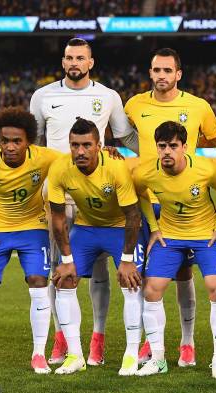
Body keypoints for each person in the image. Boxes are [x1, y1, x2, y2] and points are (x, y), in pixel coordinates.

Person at [29, 37, 138, 366]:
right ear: (63, 62)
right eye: (69, 58)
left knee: (99, 267)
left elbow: (126, 136)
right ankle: (61, 338)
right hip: (56, 192)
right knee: (58, 270)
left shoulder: (107, 97)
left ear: (91, 63)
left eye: (80, 58)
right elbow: (33, 144)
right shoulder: (43, 96)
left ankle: (97, 339)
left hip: (97, 192)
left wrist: (160, 149)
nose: (74, 62)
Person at [124, 48, 216, 367]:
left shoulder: (197, 106)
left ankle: (187, 343)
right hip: (149, 207)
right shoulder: (134, 104)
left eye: (167, 70)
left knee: (185, 278)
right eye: (156, 69)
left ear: (178, 74)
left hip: (192, 202)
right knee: (144, 279)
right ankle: (148, 345)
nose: (161, 75)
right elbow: (124, 137)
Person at [0, 107, 61, 374]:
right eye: (5, 140)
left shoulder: (45, 157)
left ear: (28, 141)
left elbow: (76, 158)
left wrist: (107, 151)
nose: (10, 146)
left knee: (38, 281)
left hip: (33, 228)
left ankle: (38, 354)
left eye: (17, 140)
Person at [132, 121, 216, 379]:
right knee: (151, 290)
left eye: (173, 146)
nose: (167, 151)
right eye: (162, 146)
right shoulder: (146, 173)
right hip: (170, 238)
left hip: (205, 236)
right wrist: (153, 227)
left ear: (185, 147)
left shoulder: (206, 167)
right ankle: (158, 358)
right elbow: (140, 193)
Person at [47, 118, 142, 375]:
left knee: (130, 280)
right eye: (74, 145)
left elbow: (134, 216)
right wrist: (66, 260)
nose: (80, 151)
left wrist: (127, 258)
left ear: (99, 145)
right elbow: (57, 218)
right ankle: (75, 355)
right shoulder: (59, 168)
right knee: (64, 280)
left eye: (86, 145)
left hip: (120, 227)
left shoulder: (116, 168)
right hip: (86, 227)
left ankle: (131, 354)